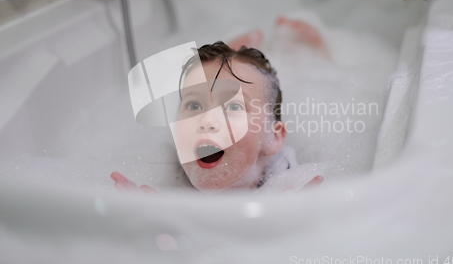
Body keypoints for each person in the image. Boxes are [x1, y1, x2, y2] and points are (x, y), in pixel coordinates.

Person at [111, 15, 326, 193]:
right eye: (194, 106)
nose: (207, 119)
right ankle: (231, 55)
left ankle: (314, 53)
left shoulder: (284, 180)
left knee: (228, 74)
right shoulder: (171, 172)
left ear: (273, 138)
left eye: (233, 107)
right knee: (219, 72)